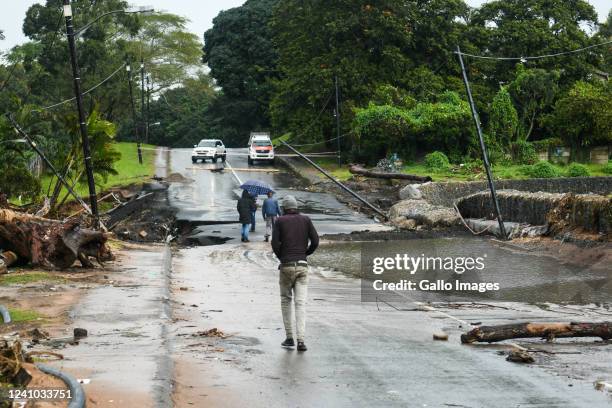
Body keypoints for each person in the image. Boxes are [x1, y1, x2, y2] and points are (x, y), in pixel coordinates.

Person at [271, 195, 319, 352]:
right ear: (296, 207)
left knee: (286, 301)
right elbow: (316, 241)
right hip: (302, 266)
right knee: (300, 303)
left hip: (286, 266)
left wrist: (282, 257)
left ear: (284, 208)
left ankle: (289, 337)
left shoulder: (280, 221)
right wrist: (305, 254)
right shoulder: (306, 219)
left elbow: (274, 243)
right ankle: (301, 341)